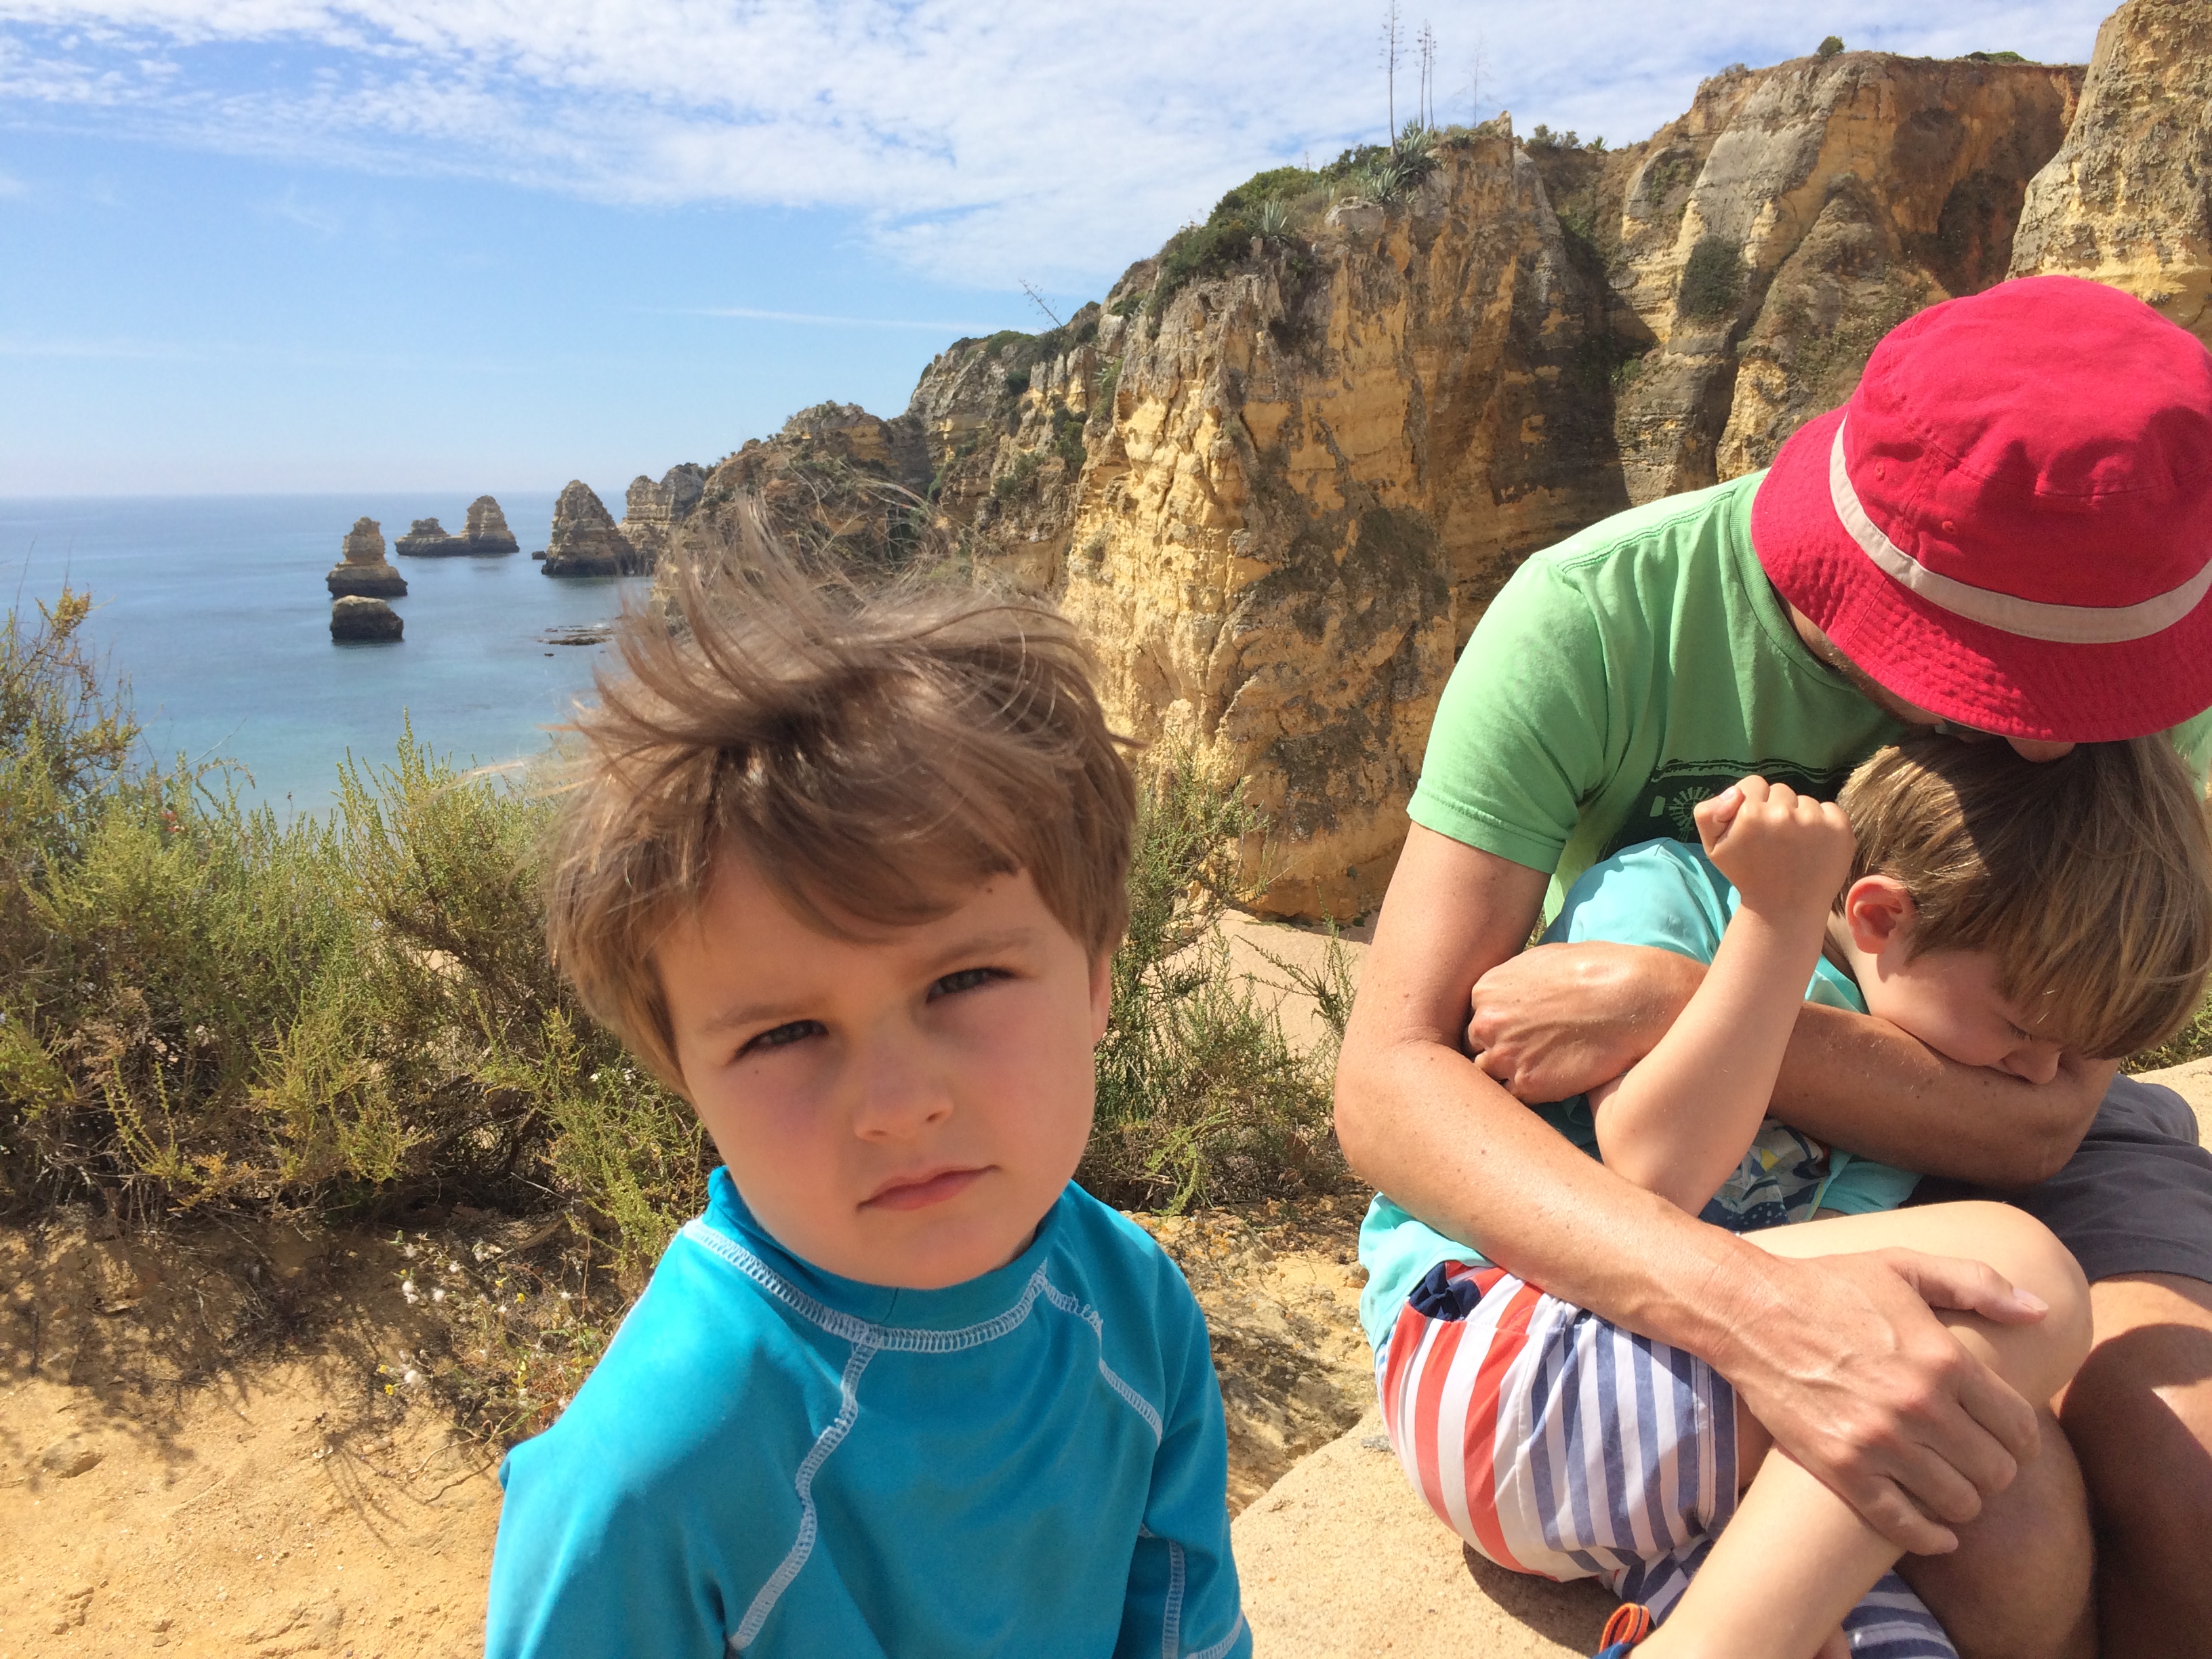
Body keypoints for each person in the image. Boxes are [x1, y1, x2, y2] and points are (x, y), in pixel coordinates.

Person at [1333, 274, 2212, 1659]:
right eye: (2025, 691)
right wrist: (1762, 1319)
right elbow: (1392, 1083)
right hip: (1681, 1203)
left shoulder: (2127, 619)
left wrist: (1674, 1002)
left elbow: (2040, 1113)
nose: (2069, 741)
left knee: (2186, 1488)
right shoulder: (1597, 618)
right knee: (2010, 1506)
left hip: (1921, 1123)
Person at [483, 531, 1248, 1659]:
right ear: (685, 1075)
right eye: (786, 1034)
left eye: (964, 981)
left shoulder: (1135, 1311)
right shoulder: (641, 1487)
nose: (896, 1105)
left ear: (1096, 977)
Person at [1364, 736, 2212, 1659]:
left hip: (1668, 1466)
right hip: (1513, 1346)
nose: (2040, 1076)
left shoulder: (1913, 1079)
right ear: (1879, 917)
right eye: (2020, 1030)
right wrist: (1778, 919)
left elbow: (1844, 1344)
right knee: (2020, 1281)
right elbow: (1658, 1174)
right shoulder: (1673, 896)